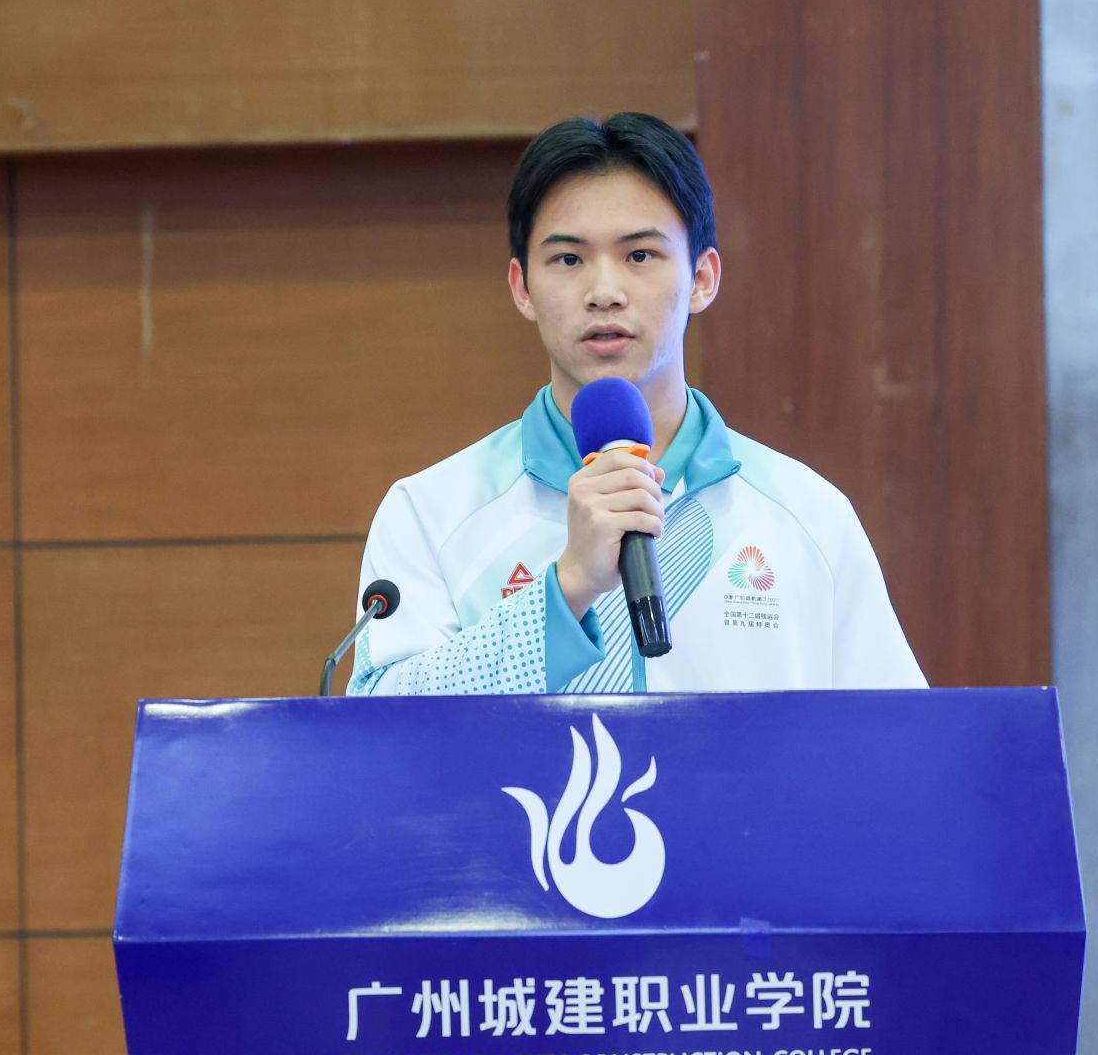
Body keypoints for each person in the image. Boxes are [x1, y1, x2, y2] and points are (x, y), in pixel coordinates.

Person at [347, 112, 925, 695]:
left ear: (702, 277)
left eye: (640, 255)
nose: (604, 293)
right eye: (568, 259)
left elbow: (898, 736)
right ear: (522, 288)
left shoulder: (808, 515)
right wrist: (566, 588)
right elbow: (381, 726)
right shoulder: (432, 511)